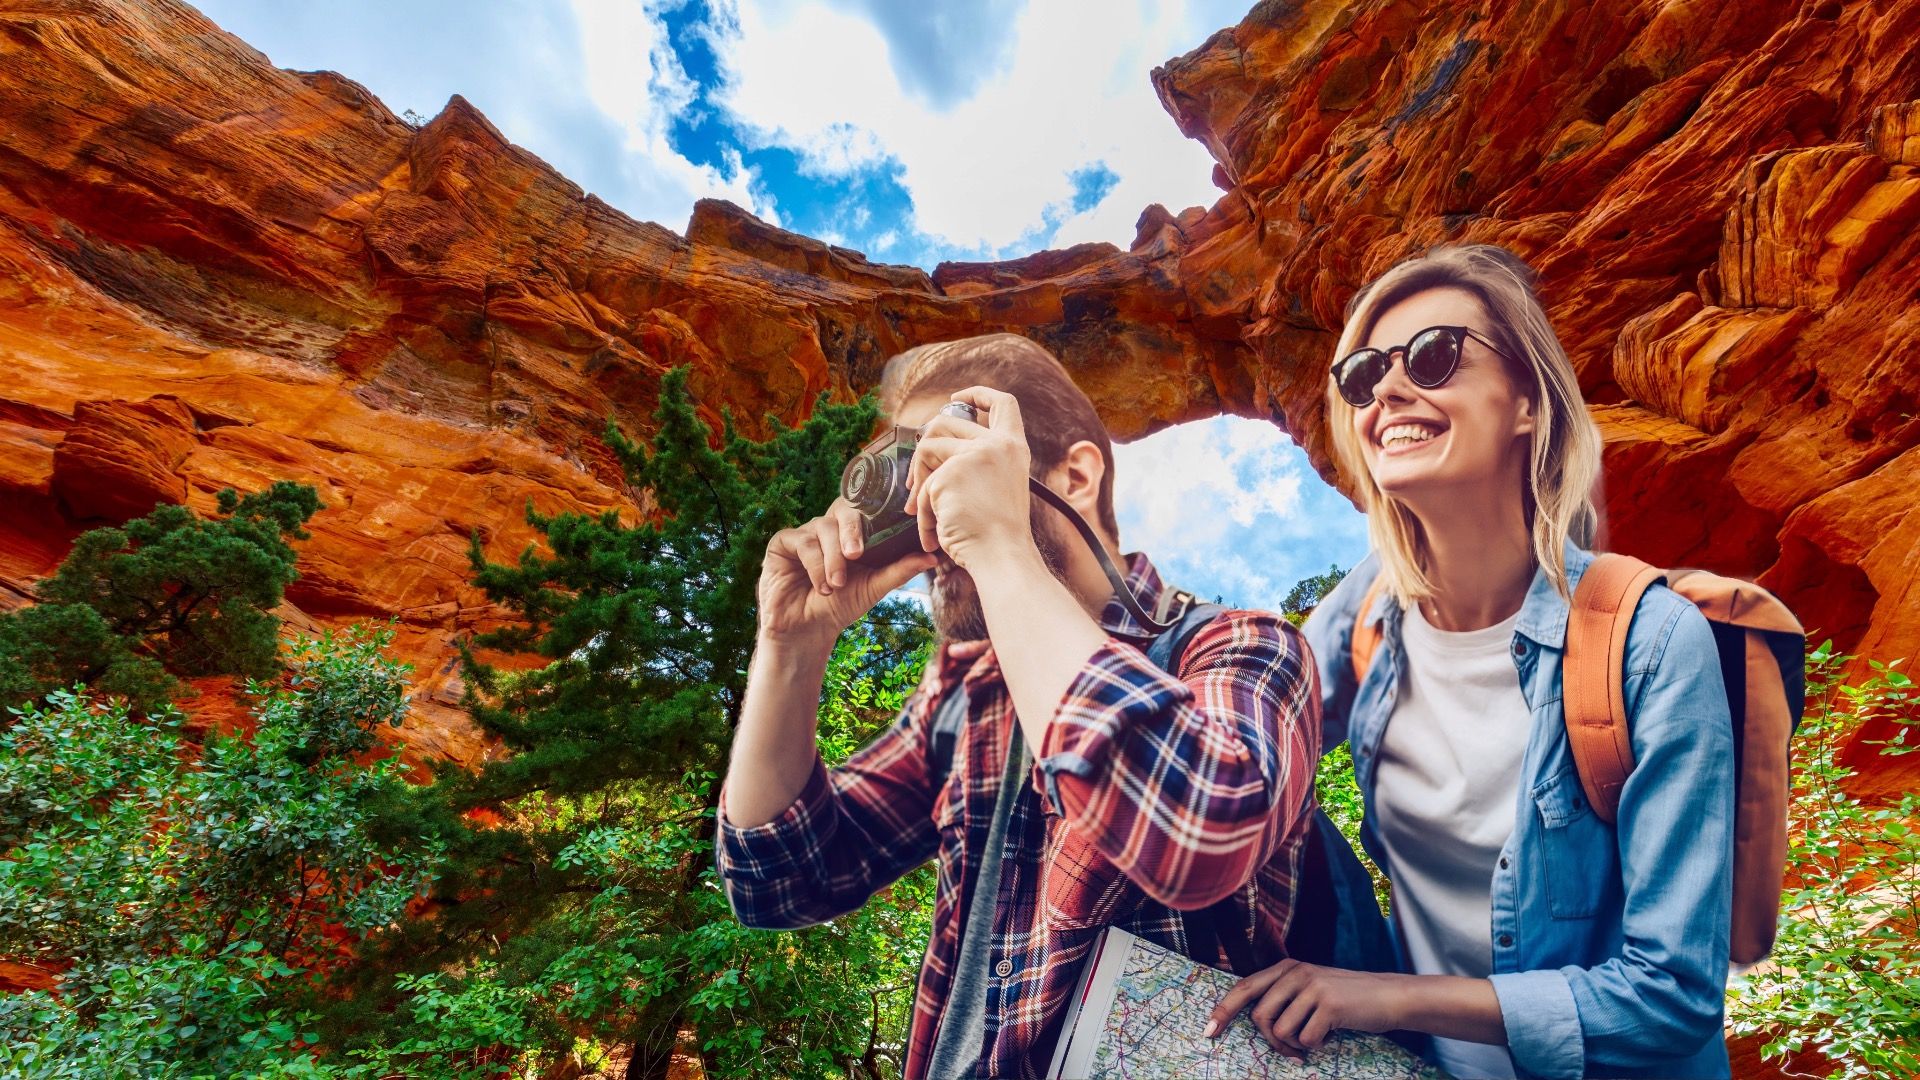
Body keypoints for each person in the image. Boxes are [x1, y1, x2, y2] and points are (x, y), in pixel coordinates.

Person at [716, 333, 1320, 1078]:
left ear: (1075, 474)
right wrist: (790, 647)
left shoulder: (1239, 646)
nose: (928, 507)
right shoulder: (966, 699)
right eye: (914, 474)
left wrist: (1000, 543)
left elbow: (1200, 835)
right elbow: (778, 882)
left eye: (949, 461)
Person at [1208, 244, 1737, 1078]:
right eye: (1363, 375)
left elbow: (1669, 997)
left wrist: (1370, 998)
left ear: (1527, 401)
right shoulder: (1366, 613)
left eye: (1434, 356)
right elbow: (1225, 768)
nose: (1386, 391)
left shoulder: (1653, 644)